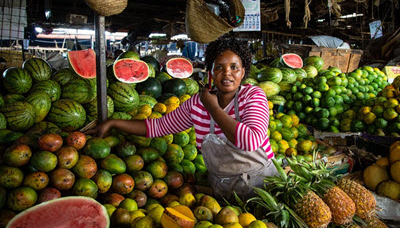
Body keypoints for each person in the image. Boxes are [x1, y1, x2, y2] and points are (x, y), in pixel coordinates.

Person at [87, 38, 277, 200]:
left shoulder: (253, 96)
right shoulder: (196, 104)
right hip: (223, 190)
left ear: (243, 72)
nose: (227, 73)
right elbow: (157, 127)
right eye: (219, 67)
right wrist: (112, 123)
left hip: (262, 188)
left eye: (234, 67)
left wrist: (212, 107)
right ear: (210, 73)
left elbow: (250, 140)